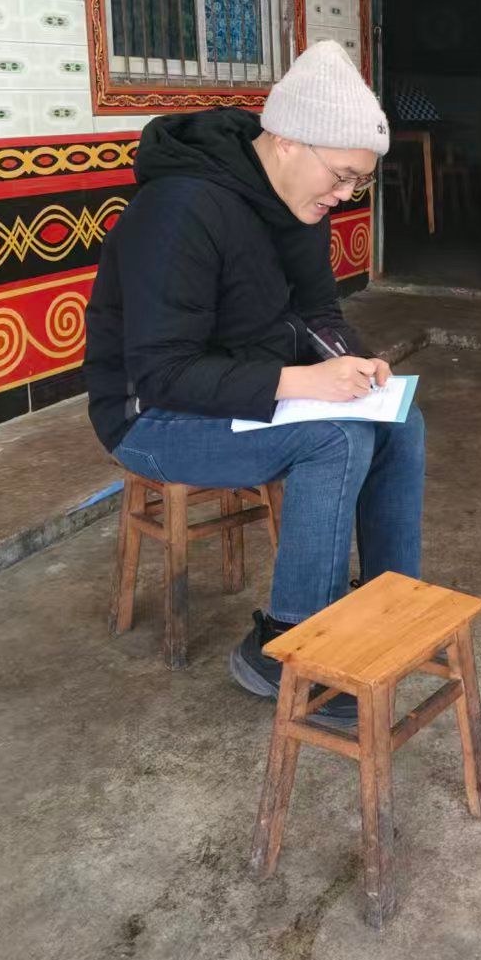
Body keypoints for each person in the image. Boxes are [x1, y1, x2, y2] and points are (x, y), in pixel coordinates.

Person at [84, 41, 420, 728]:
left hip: (242, 392)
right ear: (289, 141)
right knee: (335, 439)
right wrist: (303, 381)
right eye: (342, 175)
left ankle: (384, 608)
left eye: (359, 183)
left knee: (397, 418)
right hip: (153, 418)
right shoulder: (178, 209)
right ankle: (287, 647)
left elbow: (318, 314)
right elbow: (163, 372)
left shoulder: (298, 202)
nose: (345, 195)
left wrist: (356, 363)